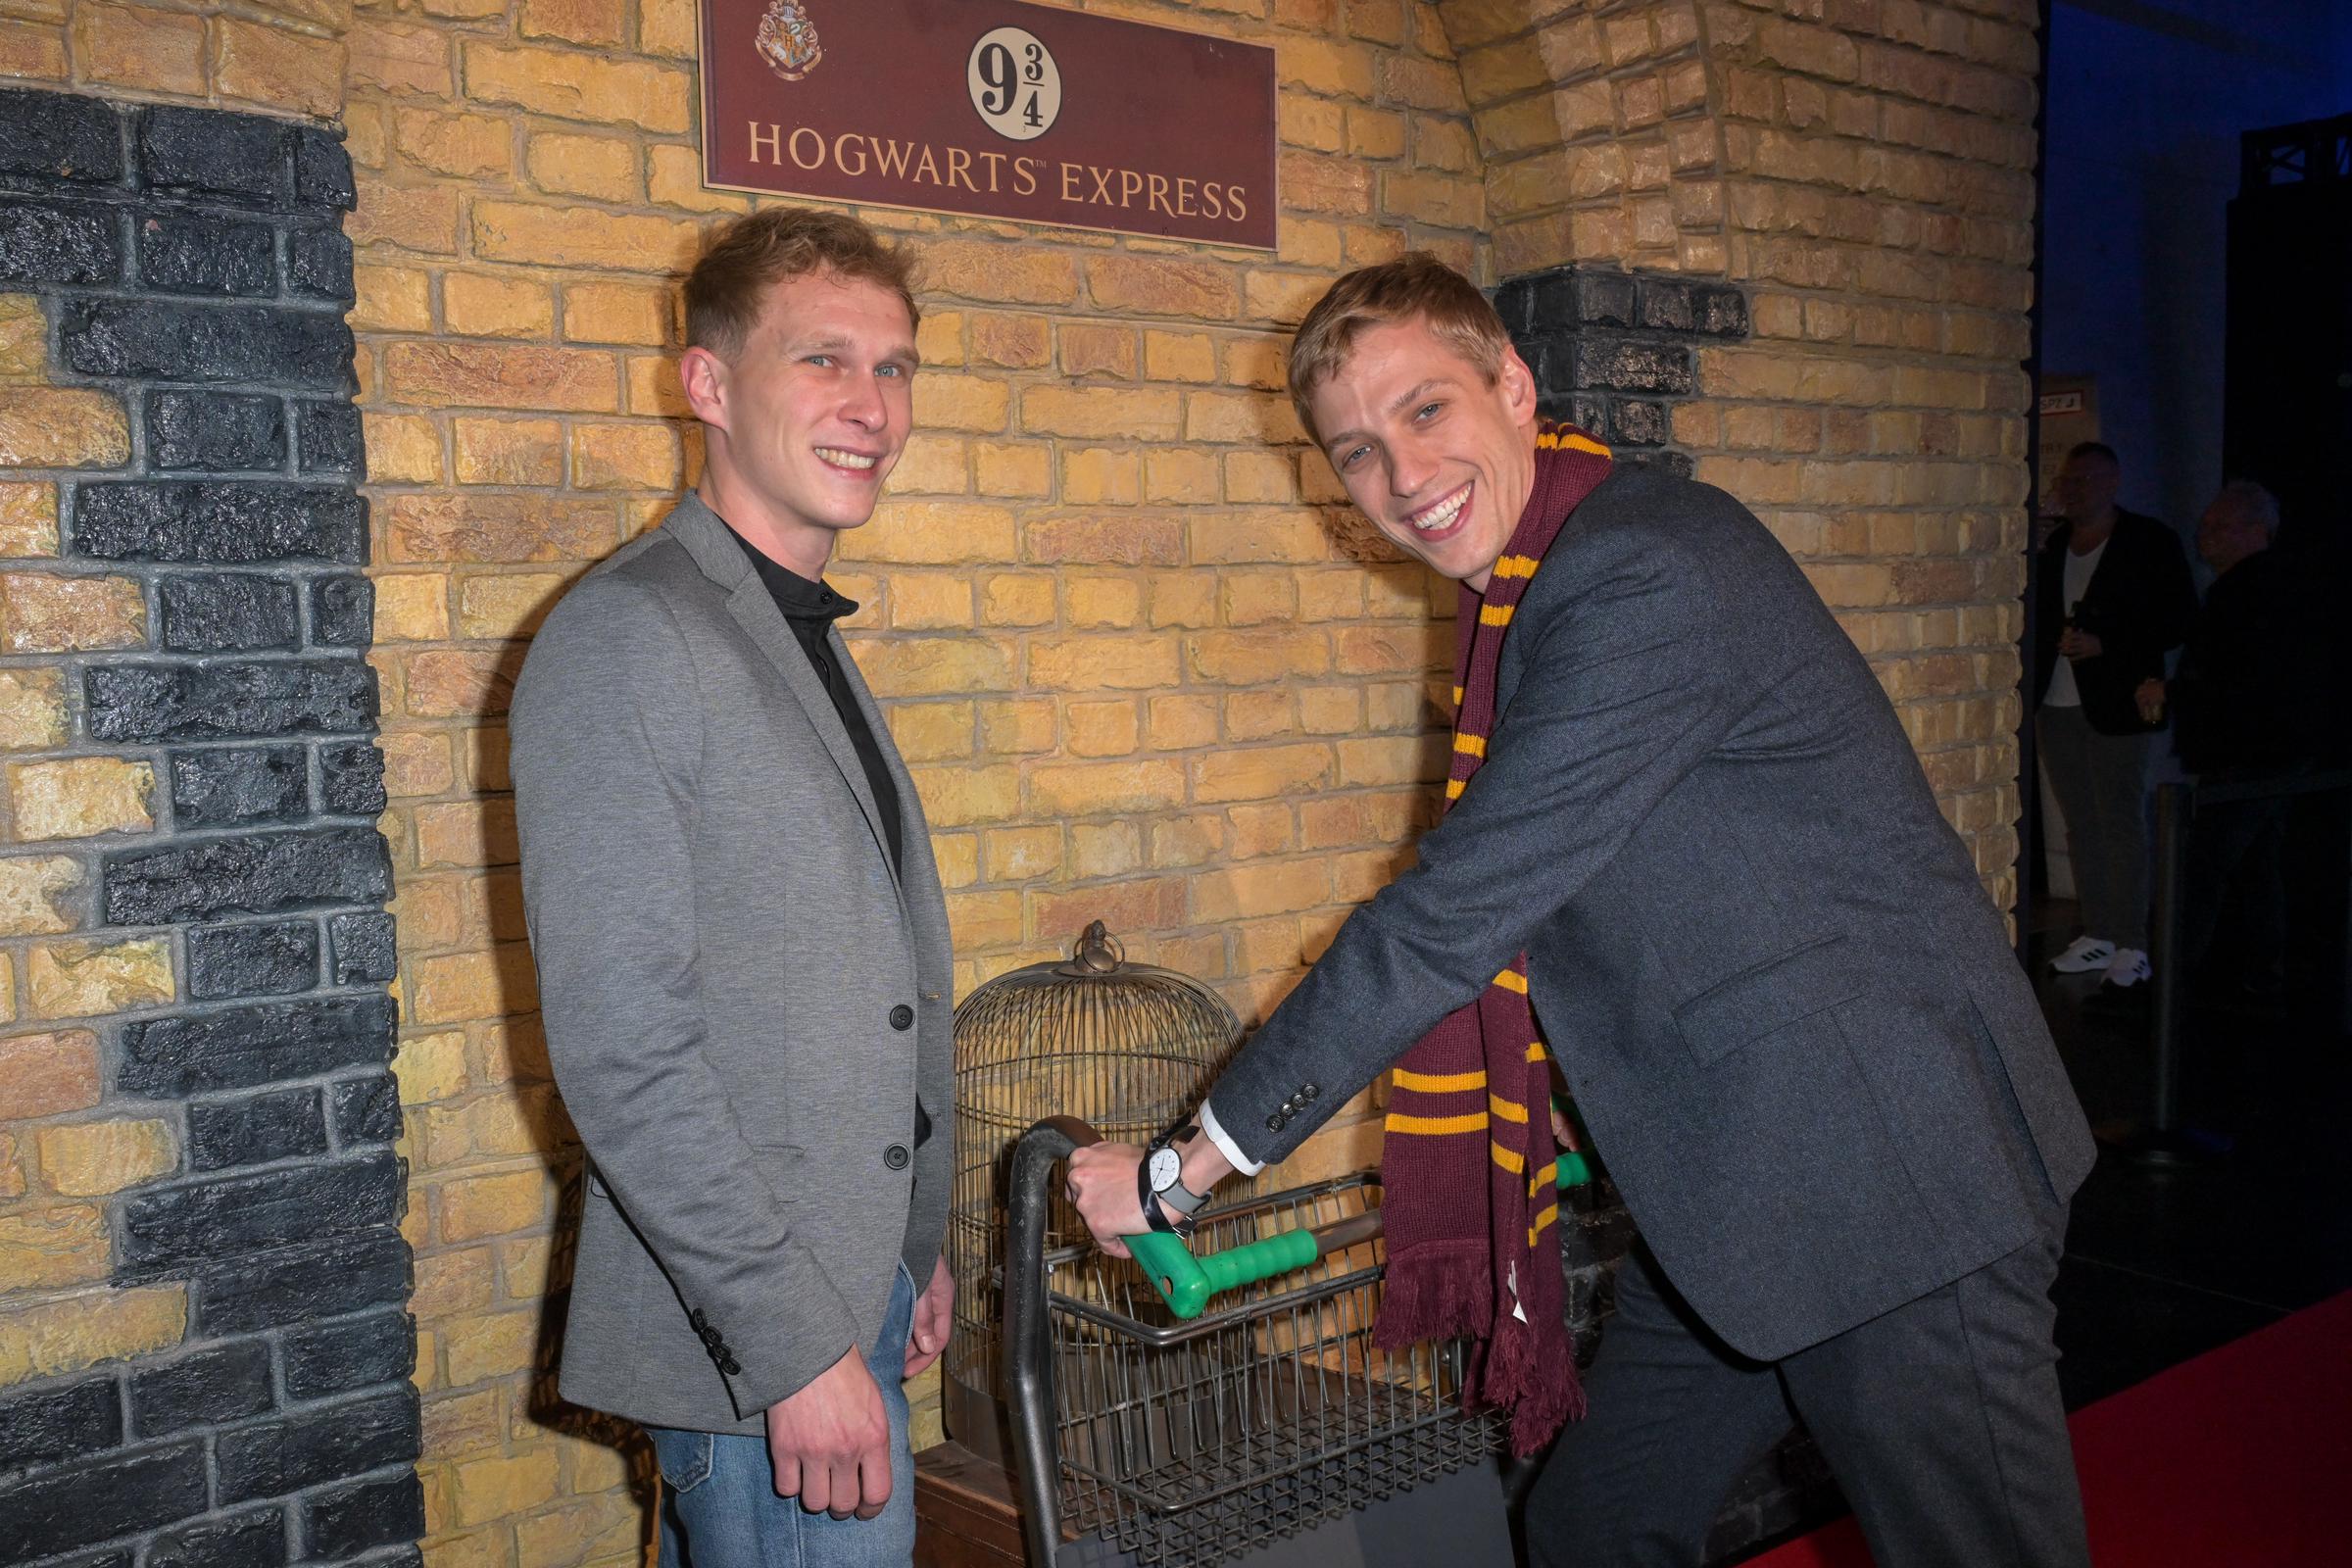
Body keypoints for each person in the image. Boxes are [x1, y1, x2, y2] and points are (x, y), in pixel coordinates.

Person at [1068, 255, 2097, 1567]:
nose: (1402, 477)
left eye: (1426, 412)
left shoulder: (1636, 576)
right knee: (1595, 1529)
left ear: (1512, 381)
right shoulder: (1539, 586)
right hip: (1735, 1180)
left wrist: (1182, 1170)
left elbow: (1450, 917)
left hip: (1885, 1177)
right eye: (1359, 452)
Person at [510, 209, 955, 1567]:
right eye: (824, 360)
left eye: (894, 368)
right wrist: (797, 1348)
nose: (871, 407)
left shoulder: (784, 624)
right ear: (706, 385)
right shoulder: (628, 633)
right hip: (763, 1334)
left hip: (847, 1285)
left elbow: (854, 980)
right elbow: (624, 1048)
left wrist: (913, 1242)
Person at [2135, 480, 2309, 993]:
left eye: (2219, 525)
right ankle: (2258, 973)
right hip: (2270, 750)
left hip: (2248, 752)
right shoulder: (2265, 588)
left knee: (2198, 869)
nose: (2204, 534)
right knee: (2254, 865)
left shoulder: (2248, 592)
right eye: (2205, 524)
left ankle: (2170, 983)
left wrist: (2173, 689)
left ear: (2257, 532)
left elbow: (2236, 676)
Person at [2033, 442, 2195, 990]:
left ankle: (2131, 940)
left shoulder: (2149, 542)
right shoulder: (2055, 545)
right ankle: (2099, 931)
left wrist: (2110, 645)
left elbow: (2177, 620)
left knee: (2119, 819)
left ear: (2112, 481)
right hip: (2057, 702)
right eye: (2067, 480)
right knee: (2082, 824)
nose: (2071, 489)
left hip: (2119, 704)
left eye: (2082, 480)